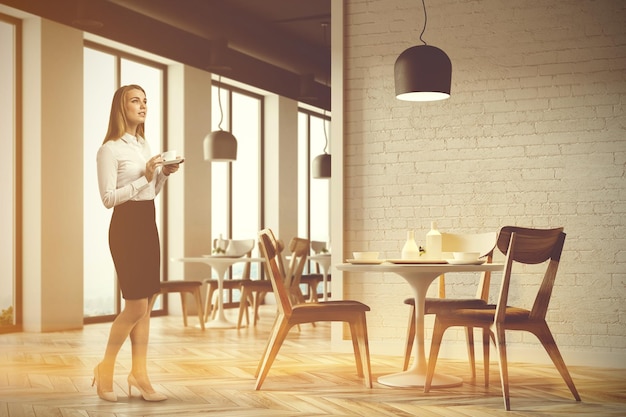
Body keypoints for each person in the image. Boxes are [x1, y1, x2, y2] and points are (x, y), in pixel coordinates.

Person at [93, 84, 181, 402]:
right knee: (135, 307)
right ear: (121, 107)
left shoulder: (143, 146)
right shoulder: (109, 150)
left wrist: (162, 175)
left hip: (147, 224)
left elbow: (149, 192)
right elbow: (107, 199)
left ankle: (139, 374)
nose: (142, 106)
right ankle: (106, 368)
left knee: (145, 309)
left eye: (145, 101)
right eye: (135, 100)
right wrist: (146, 176)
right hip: (126, 228)